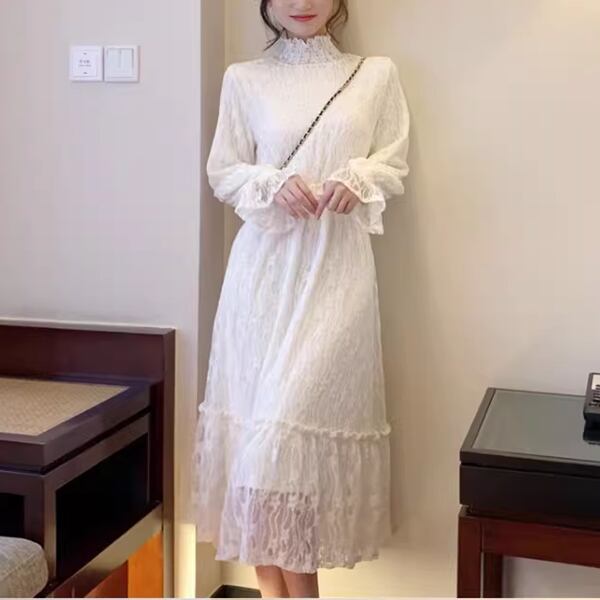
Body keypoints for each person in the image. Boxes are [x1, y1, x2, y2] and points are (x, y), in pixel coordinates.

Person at [192, 0, 410, 597]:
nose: (302, 2)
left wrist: (357, 177)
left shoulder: (374, 75)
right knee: (257, 472)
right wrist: (272, 181)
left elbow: (393, 159)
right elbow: (223, 170)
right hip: (260, 281)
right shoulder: (244, 79)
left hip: (336, 276)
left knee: (280, 453)